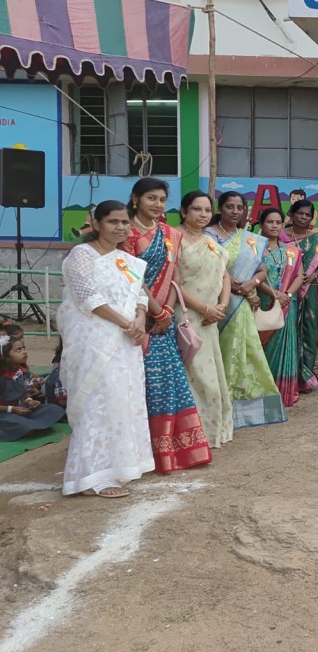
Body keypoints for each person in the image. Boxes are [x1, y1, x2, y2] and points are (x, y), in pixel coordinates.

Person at [57, 200, 154, 498]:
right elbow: (88, 297)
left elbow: (140, 294)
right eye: (113, 222)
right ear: (97, 223)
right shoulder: (81, 255)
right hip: (94, 342)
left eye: (124, 222)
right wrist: (127, 323)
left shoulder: (126, 260)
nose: (120, 227)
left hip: (126, 343)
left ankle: (118, 467)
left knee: (122, 400)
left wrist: (140, 318)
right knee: (96, 402)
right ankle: (89, 477)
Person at [123, 178, 212, 473]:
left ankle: (175, 451)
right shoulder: (127, 233)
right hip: (135, 317)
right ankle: (140, 453)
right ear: (136, 199)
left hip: (165, 320)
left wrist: (166, 312)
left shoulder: (171, 234)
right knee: (143, 384)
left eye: (162, 199)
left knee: (170, 385)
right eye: (151, 198)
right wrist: (155, 311)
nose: (158, 204)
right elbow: (133, 277)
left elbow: (174, 276)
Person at [206, 192, 285, 428]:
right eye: (229, 207)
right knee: (220, 352)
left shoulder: (249, 239)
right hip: (219, 302)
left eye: (239, 207)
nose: (234, 211)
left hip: (242, 306)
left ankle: (246, 409)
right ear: (220, 208)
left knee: (245, 351)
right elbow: (213, 268)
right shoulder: (209, 235)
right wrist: (238, 287)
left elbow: (262, 269)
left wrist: (252, 283)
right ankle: (219, 407)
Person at [175, 191, 233, 448]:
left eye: (207, 210)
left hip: (211, 319)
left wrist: (222, 305)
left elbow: (225, 275)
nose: (203, 214)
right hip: (186, 316)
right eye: (196, 209)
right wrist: (204, 308)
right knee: (193, 376)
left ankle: (211, 431)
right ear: (183, 211)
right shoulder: (174, 239)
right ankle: (192, 434)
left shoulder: (210, 242)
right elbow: (173, 282)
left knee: (211, 375)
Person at [281, 200, 318, 392]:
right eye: (300, 213)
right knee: (287, 331)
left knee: (309, 331)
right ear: (292, 214)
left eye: (307, 215)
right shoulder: (281, 236)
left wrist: (313, 276)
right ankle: (287, 376)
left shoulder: (317, 240)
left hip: (309, 290)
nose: (303, 217)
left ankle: (306, 376)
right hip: (286, 290)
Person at [257, 208, 304, 406]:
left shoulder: (290, 250)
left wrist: (288, 295)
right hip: (263, 304)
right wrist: (274, 294)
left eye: (278, 222)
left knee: (285, 347)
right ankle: (263, 391)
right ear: (261, 224)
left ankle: (284, 392)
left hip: (287, 305)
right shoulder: (255, 248)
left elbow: (300, 275)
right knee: (262, 348)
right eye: (270, 222)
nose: (275, 226)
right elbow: (252, 276)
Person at [0, 335, 65, 442]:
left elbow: (23, 393)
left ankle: (30, 426)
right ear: (6, 357)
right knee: (20, 423)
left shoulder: (22, 371)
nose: (24, 352)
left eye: (24, 348)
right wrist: (12, 409)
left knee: (54, 409)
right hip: (5, 412)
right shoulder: (2, 377)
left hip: (20, 408)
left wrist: (30, 401)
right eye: (18, 350)